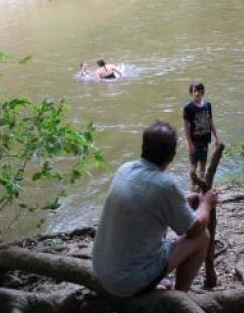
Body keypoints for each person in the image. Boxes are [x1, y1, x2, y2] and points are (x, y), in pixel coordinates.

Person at [92, 121, 219, 297]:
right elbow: (194, 231)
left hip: (101, 271)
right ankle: (179, 296)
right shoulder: (165, 185)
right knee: (203, 237)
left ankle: (153, 282)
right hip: (126, 282)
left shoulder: (124, 169)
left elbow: (147, 196)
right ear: (172, 155)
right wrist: (206, 204)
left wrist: (182, 199)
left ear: (143, 147)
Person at [183, 82, 220, 181]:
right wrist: (189, 143)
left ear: (202, 92)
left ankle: (201, 187)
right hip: (194, 141)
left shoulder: (207, 105)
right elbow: (186, 127)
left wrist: (216, 137)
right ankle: (193, 188)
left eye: (199, 91)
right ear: (191, 92)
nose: (197, 93)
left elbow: (211, 121)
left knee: (203, 165)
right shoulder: (188, 108)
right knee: (193, 167)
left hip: (205, 140)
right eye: (195, 91)